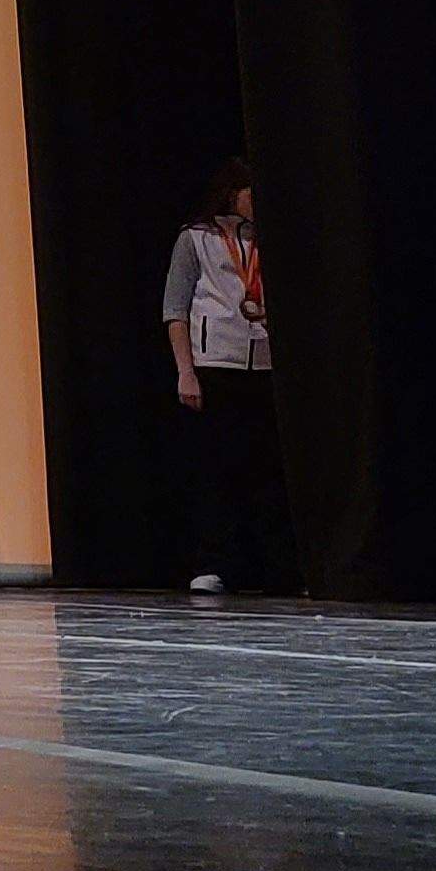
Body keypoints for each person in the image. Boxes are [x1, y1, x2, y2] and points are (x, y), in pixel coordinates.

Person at [164, 156, 289, 595]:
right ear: (231, 193)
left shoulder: (267, 240)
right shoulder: (196, 239)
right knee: (218, 470)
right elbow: (175, 310)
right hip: (215, 364)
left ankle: (272, 566)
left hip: (264, 362)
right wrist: (186, 372)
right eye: (251, 193)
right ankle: (210, 561)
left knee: (265, 472)